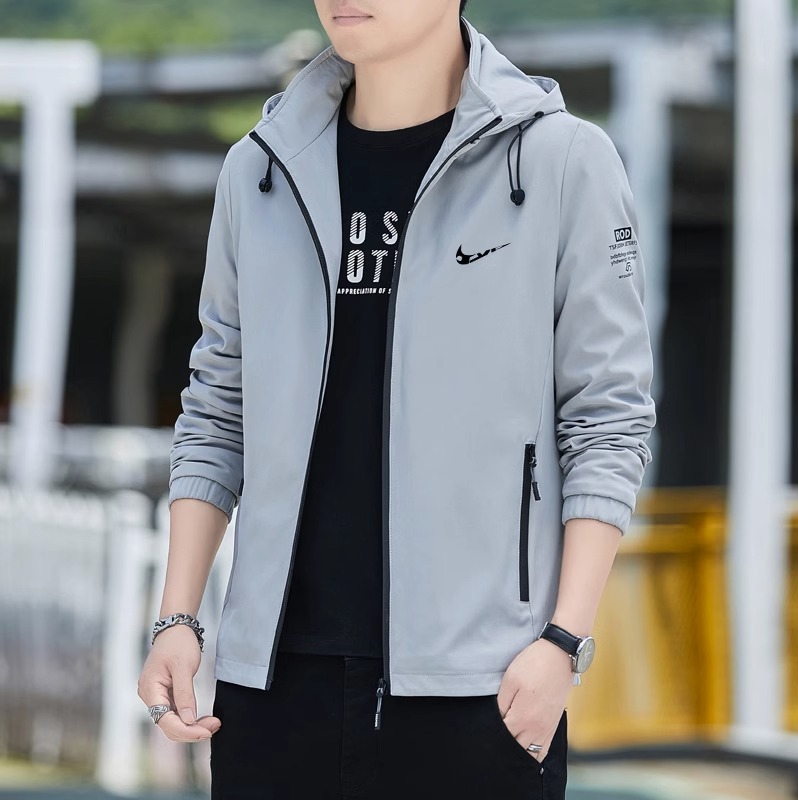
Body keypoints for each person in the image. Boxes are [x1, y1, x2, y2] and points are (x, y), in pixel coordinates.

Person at [137, 0, 657, 797]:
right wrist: (178, 621)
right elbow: (216, 408)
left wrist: (562, 641)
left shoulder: (562, 162)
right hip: (273, 687)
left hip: (483, 687)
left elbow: (607, 418)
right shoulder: (261, 170)